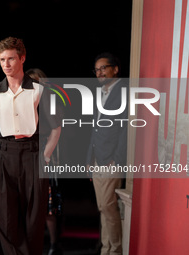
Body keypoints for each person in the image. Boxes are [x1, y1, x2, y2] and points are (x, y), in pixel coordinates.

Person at [0, 37, 62, 255]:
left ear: (22, 58)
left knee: (33, 219)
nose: (6, 64)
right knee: (4, 219)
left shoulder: (39, 91)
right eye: (2, 60)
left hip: (33, 155)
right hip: (3, 157)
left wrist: (44, 156)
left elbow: (55, 128)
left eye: (10, 59)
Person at [86, 52, 127, 255]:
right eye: (97, 69)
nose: (100, 72)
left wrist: (117, 160)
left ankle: (116, 251)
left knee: (109, 209)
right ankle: (106, 249)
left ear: (115, 69)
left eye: (104, 68)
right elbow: (94, 130)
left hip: (111, 161)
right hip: (98, 159)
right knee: (103, 209)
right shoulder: (102, 92)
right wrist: (90, 159)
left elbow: (126, 129)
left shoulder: (124, 91)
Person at [26, 68, 63, 255]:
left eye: (36, 81)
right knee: (28, 204)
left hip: (47, 157)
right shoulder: (24, 102)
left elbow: (57, 130)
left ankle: (54, 244)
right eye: (30, 81)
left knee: (48, 205)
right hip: (27, 156)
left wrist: (46, 156)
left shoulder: (51, 101)